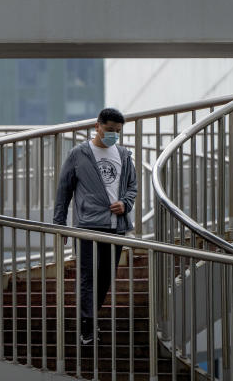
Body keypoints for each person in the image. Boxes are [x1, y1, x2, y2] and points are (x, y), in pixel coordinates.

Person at [53, 107, 138, 346]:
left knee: (105, 277)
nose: (113, 135)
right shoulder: (78, 154)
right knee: (88, 277)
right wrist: (60, 224)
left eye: (118, 132)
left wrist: (126, 203)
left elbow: (132, 186)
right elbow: (64, 190)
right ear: (97, 126)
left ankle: (88, 318)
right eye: (109, 130)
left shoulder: (123, 154)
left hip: (116, 227)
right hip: (88, 226)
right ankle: (88, 327)